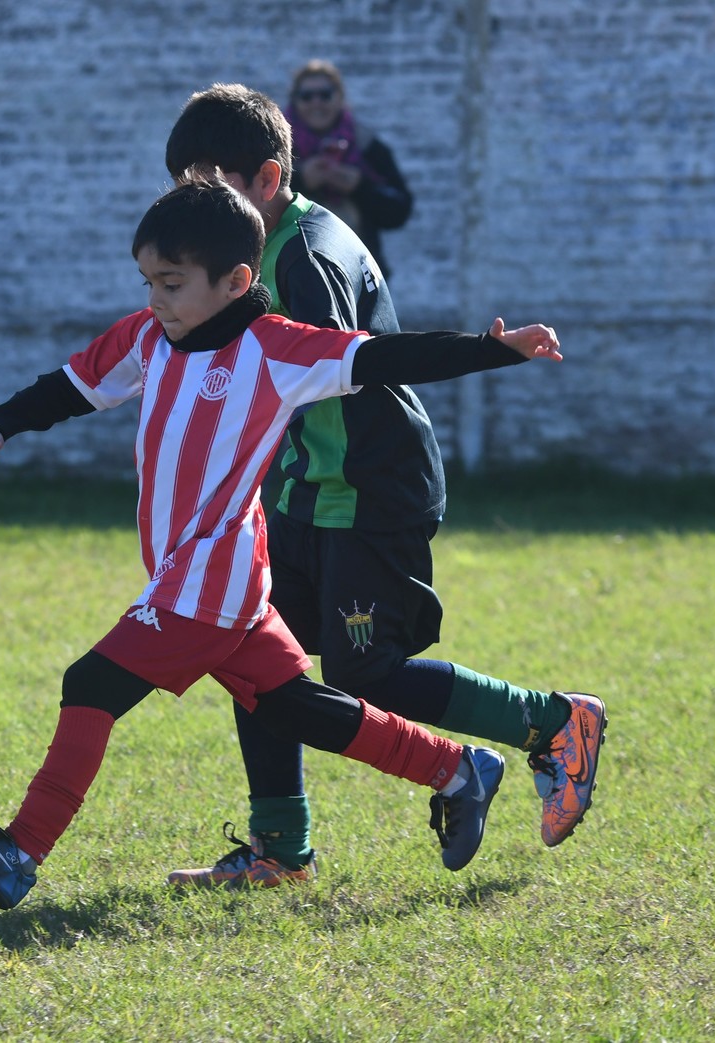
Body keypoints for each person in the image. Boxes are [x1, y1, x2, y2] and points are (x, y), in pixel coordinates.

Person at [0, 177, 564, 910]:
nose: (156, 299)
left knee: (90, 684)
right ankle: (458, 770)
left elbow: (386, 358)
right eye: (147, 281)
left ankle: (21, 849)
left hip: (209, 584)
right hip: (219, 580)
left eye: (171, 283)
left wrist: (495, 349)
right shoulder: (145, 337)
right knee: (296, 706)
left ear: (236, 282)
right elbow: (72, 385)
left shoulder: (276, 351)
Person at [161, 84, 607, 890]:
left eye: (208, 191)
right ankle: (279, 851)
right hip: (300, 493)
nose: (192, 215)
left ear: (265, 180)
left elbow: (349, 364)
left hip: (367, 490)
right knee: (249, 654)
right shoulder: (243, 251)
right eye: (182, 193)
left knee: (365, 674)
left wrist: (483, 350)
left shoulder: (304, 255)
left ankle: (551, 721)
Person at [284, 60, 412, 277]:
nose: (317, 103)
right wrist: (300, 181)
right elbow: (256, 200)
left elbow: (398, 211)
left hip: (359, 274)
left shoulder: (367, 145)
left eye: (325, 95)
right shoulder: (278, 147)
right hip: (294, 272)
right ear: (295, 101)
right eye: (307, 96)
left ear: (340, 98)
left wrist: (359, 186)